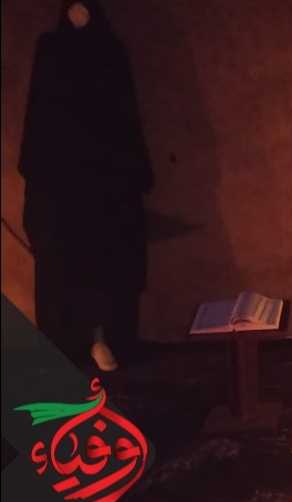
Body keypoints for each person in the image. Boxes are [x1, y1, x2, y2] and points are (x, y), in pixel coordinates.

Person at [18, 0, 152, 371]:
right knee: (65, 268)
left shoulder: (110, 50)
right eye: (72, 7)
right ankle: (69, 347)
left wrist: (131, 173)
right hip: (62, 184)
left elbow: (124, 114)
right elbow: (40, 114)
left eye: (85, 7)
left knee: (106, 267)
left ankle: (104, 338)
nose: (79, 13)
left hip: (105, 183)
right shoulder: (51, 49)